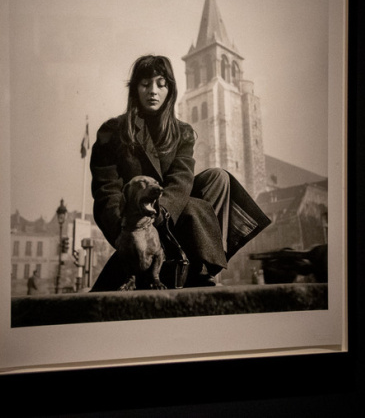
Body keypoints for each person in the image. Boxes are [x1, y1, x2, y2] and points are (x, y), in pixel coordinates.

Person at [89, 55, 271, 290]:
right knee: (194, 208)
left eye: (161, 84)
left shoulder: (182, 132)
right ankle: (182, 266)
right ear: (135, 89)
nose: (153, 91)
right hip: (134, 224)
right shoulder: (113, 131)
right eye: (145, 84)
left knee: (219, 178)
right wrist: (125, 234)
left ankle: (195, 264)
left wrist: (161, 215)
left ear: (170, 90)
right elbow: (107, 191)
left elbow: (181, 180)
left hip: (169, 216)